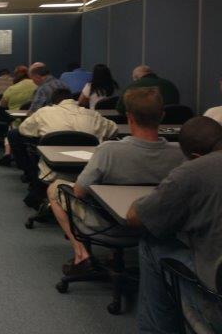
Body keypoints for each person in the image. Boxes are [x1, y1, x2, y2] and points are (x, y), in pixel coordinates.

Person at [46, 87, 185, 276]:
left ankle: (81, 254)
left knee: (55, 188)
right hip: (158, 224)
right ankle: (115, 256)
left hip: (108, 225)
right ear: (162, 116)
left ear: (129, 117)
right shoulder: (180, 154)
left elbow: (78, 192)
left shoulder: (108, 151)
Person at [127, 116, 222, 333]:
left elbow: (137, 218)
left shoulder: (194, 170)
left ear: (195, 157)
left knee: (152, 244)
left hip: (217, 306)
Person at [19, 87, 118, 181]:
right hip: (89, 172)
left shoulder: (43, 113)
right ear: (73, 100)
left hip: (52, 171)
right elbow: (114, 130)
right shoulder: (93, 115)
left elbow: (23, 129)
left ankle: (30, 178)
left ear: (53, 103)